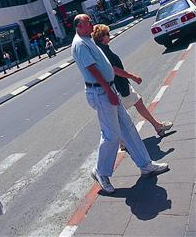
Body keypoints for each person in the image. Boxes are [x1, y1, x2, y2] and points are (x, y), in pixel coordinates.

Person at [72, 14, 169, 194]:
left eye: (92, 21)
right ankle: (100, 172)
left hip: (108, 88)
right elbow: (92, 70)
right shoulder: (80, 44)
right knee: (111, 135)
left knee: (128, 127)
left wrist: (114, 85)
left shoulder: (87, 39)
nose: (92, 24)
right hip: (100, 91)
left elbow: (105, 65)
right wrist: (108, 91)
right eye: (88, 22)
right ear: (79, 26)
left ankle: (145, 164)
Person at [92, 24, 173, 137]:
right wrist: (133, 77)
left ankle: (156, 126)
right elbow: (114, 70)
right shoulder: (103, 51)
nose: (109, 36)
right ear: (101, 37)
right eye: (107, 34)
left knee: (136, 104)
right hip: (119, 86)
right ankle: (124, 140)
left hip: (120, 85)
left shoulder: (101, 49)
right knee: (120, 115)